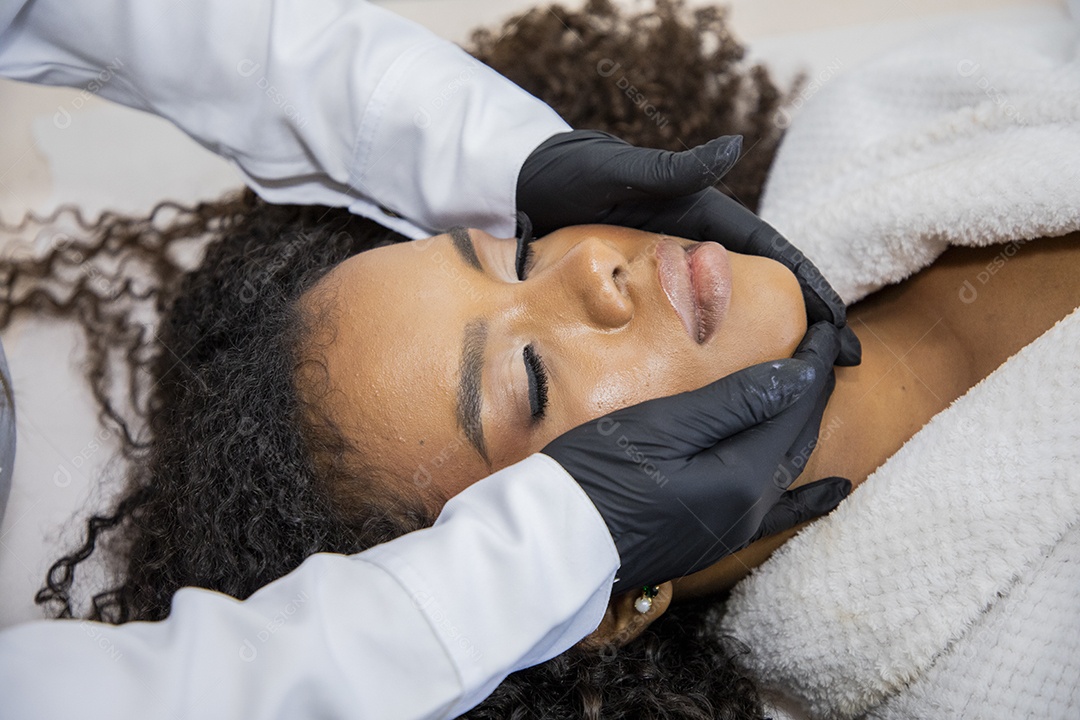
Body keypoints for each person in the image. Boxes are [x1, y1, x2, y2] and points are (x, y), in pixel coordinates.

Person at [0, 0, 856, 718]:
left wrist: (497, 153)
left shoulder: (884, 125)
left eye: (514, 252)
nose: (592, 269)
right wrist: (549, 556)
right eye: (531, 378)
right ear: (594, 610)